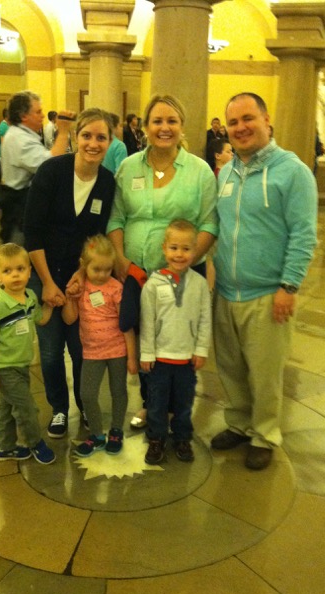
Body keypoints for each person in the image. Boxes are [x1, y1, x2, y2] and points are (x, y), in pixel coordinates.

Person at [211, 92, 318, 470]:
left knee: (266, 373)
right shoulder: (225, 173)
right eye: (233, 122)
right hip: (226, 291)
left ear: (266, 120)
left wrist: (288, 286)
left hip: (267, 294)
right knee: (232, 368)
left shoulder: (293, 172)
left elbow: (304, 234)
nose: (240, 128)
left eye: (247, 119)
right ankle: (239, 425)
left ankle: (264, 434)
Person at [107, 93, 218, 430]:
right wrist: (123, 263)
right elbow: (116, 218)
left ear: (182, 127)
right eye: (157, 121)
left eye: (172, 121)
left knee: (178, 342)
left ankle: (177, 408)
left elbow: (210, 223)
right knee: (146, 343)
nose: (164, 127)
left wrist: (182, 265)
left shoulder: (199, 172)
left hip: (183, 275)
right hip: (137, 275)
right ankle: (150, 405)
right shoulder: (129, 167)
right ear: (144, 127)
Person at [24, 108, 116, 440]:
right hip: (43, 272)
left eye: (101, 137)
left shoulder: (107, 182)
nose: (93, 143)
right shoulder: (52, 172)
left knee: (81, 349)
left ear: (109, 142)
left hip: (80, 277)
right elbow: (32, 232)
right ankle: (60, 408)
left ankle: (84, 404)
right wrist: (47, 283)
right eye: (87, 135)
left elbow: (97, 236)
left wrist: (80, 275)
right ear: (75, 136)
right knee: (50, 352)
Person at [140, 219, 211, 464]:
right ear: (164, 248)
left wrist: (200, 349)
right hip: (159, 358)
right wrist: (147, 353)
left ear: (195, 250)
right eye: (174, 248)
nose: (179, 254)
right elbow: (147, 321)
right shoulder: (153, 284)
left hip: (186, 358)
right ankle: (156, 439)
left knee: (184, 402)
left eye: (185, 249)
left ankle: (182, 437)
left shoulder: (200, 284)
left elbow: (204, 319)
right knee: (157, 403)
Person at [62, 235, 137, 457]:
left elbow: (127, 326)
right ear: (84, 265)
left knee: (118, 391)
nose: (103, 274)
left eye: (107, 269)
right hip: (92, 352)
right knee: (87, 394)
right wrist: (70, 298)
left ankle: (116, 430)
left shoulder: (116, 289)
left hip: (117, 351)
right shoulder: (80, 287)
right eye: (97, 269)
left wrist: (132, 357)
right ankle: (96, 434)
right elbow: (68, 319)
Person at [0, 243, 56, 465]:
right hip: (4, 368)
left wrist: (51, 305)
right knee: (27, 408)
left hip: (21, 365)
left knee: (6, 408)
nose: (15, 275)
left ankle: (4, 447)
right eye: (7, 271)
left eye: (20, 269)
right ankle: (35, 443)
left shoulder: (30, 296)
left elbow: (40, 319)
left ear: (29, 271)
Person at [0, 90, 75, 244]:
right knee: (20, 257)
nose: (43, 116)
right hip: (19, 209)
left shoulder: (20, 135)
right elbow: (51, 166)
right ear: (24, 115)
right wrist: (64, 131)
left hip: (21, 204)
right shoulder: (20, 139)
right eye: (38, 112)